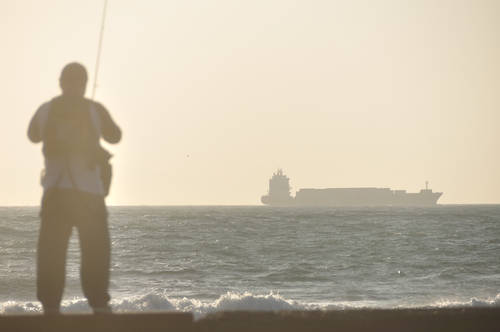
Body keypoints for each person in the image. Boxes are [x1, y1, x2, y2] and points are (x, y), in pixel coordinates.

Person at [27, 62, 121, 314]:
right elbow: (115, 136)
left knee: (51, 251)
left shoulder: (46, 110)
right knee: (95, 249)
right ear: (85, 83)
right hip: (88, 193)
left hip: (55, 191)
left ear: (60, 82)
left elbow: (32, 136)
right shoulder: (94, 110)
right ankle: (99, 305)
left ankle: (50, 308)